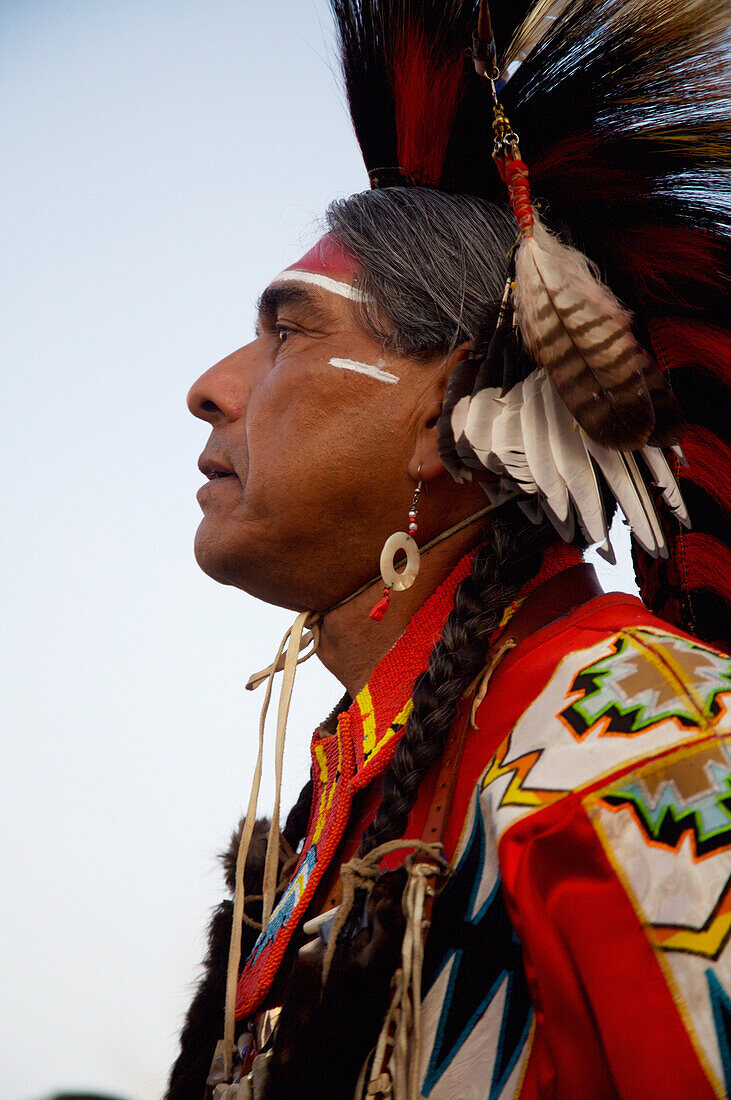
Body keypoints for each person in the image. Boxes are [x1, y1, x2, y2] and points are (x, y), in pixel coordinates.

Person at [167, 1, 731, 1097]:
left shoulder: (642, 739)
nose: (212, 387)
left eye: (290, 328)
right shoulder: (335, 818)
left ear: (449, 411)